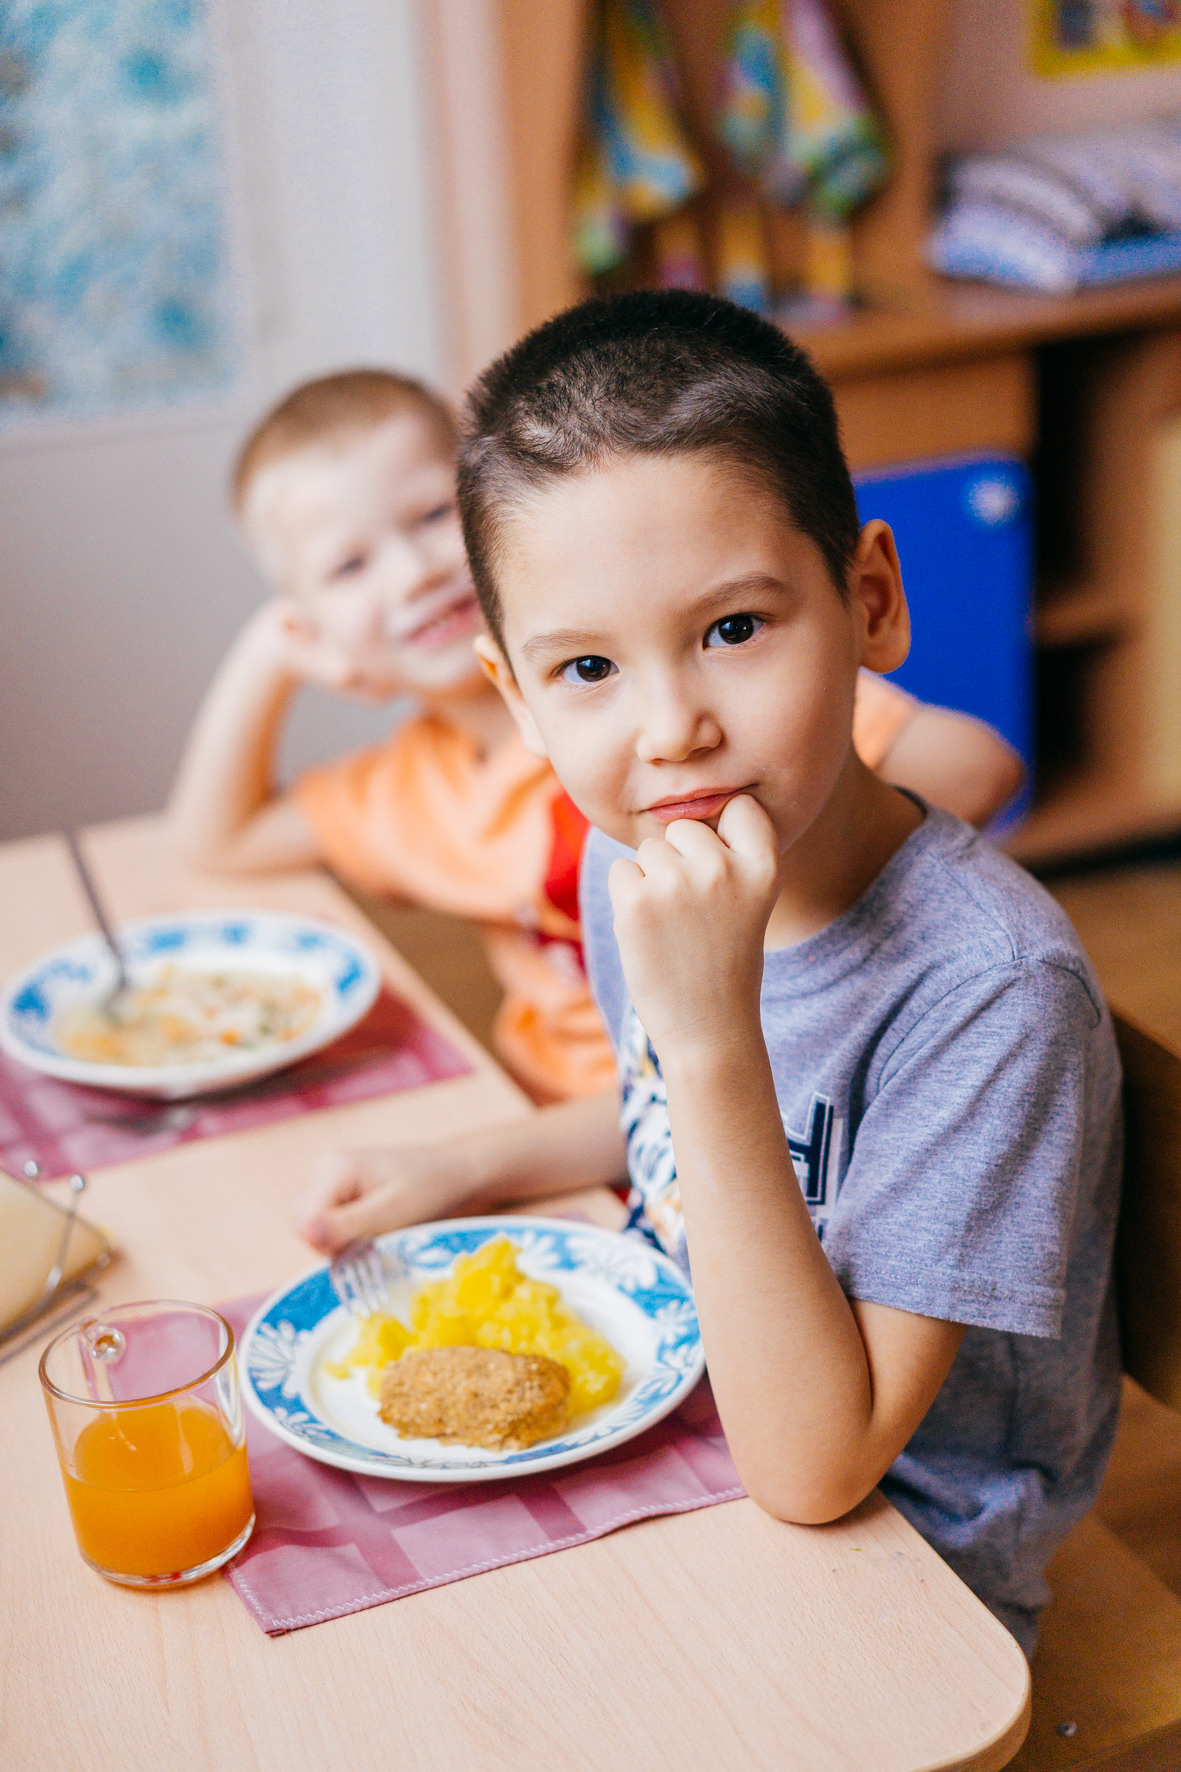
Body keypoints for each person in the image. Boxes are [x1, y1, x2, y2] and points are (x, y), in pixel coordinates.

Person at [301, 293, 1120, 1656]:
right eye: (586, 668)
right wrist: (478, 1160)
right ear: (515, 696)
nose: (670, 729)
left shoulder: (992, 989)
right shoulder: (642, 867)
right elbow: (678, 1122)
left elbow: (820, 1468)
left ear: (868, 601)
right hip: (685, 1400)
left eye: (733, 630)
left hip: (901, 1569)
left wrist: (710, 1030)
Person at [170, 368, 1024, 1105]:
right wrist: (267, 655)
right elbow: (215, 837)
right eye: (347, 568)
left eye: (434, 516)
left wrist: (764, 874)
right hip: (567, 1115)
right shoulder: (410, 792)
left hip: (746, 1099)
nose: (413, 572)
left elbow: (976, 767)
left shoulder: (692, 718)